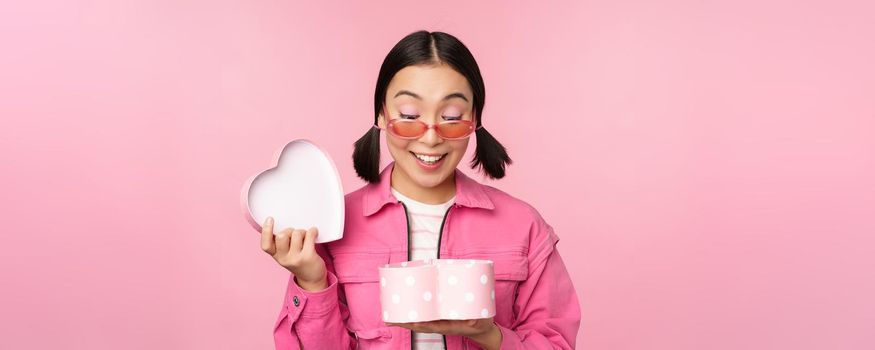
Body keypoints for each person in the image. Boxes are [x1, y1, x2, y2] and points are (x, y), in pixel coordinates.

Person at [261, 30, 581, 349]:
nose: (431, 138)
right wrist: (312, 281)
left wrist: (488, 334)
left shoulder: (523, 227)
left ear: (475, 120)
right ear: (382, 116)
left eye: (452, 117)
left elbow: (556, 343)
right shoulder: (336, 226)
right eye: (410, 116)